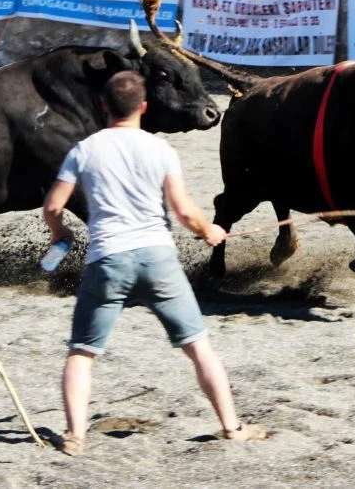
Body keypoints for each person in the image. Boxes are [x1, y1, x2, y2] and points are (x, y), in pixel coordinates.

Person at [42, 71, 267, 456]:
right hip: (157, 258)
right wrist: (209, 230)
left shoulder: (85, 149)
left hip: (108, 259)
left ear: (103, 106)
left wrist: (59, 232)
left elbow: (52, 206)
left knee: (82, 353)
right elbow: (182, 210)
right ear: (144, 108)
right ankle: (232, 426)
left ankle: (76, 436)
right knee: (198, 347)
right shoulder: (160, 150)